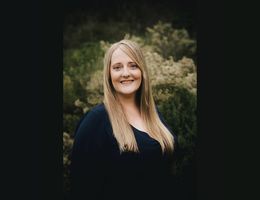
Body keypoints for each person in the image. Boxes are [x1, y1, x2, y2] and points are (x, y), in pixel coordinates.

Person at [70, 39, 178, 200]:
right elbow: (82, 188)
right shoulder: (96, 121)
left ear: (142, 71)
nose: (126, 73)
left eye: (133, 65)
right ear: (108, 74)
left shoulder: (154, 114)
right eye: (117, 67)